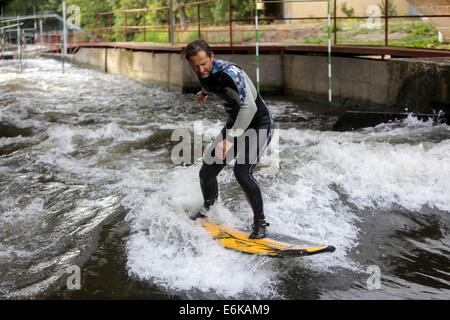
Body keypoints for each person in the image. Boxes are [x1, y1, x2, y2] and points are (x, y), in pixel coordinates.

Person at [185, 39, 274, 239]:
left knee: (242, 172)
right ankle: (209, 211)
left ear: (212, 57)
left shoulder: (231, 73)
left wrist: (231, 138)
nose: (200, 69)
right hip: (236, 124)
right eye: (195, 66)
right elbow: (214, 84)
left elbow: (249, 107)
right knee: (206, 172)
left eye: (204, 63)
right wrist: (204, 93)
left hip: (258, 124)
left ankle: (260, 222)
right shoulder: (203, 73)